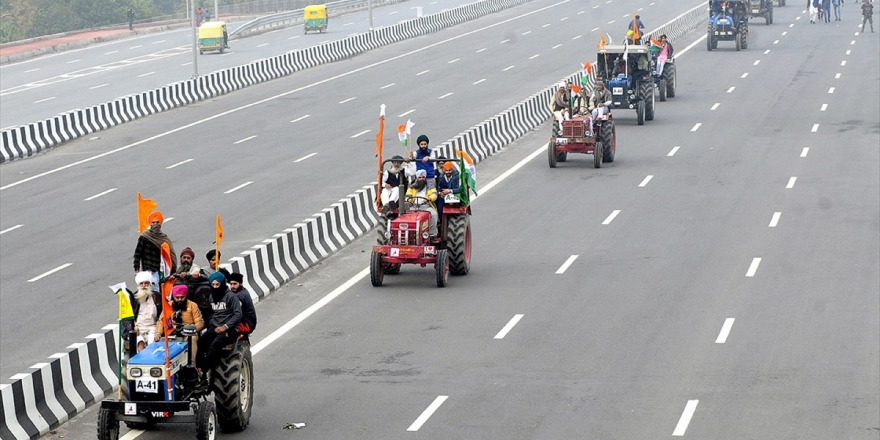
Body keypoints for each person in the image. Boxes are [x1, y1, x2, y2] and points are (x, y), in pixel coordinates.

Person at [197, 272, 242, 377]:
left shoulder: (231, 296)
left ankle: (203, 370)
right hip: (215, 326)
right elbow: (213, 313)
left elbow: (238, 314)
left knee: (214, 346)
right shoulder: (212, 297)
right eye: (213, 285)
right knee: (201, 343)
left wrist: (225, 327)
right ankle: (198, 367)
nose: (215, 287)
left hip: (229, 328)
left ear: (222, 284)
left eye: (217, 285)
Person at [155, 284, 205, 358]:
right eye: (177, 297)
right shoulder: (168, 306)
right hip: (171, 333)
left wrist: (190, 329)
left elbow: (200, 322)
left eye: (182, 297)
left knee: (192, 338)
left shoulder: (193, 305)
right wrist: (158, 334)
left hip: (187, 333)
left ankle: (191, 363)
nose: (179, 300)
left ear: (186, 296)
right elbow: (161, 321)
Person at [133, 211, 176, 291]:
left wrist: (173, 270)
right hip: (149, 270)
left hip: (161, 270)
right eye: (153, 222)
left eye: (157, 222)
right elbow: (137, 254)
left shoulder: (163, 238)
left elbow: (170, 254)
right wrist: (137, 270)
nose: (155, 224)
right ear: (150, 224)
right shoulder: (145, 237)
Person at [132, 271, 160, 353]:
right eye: (142, 284)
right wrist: (134, 326)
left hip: (153, 327)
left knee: (152, 345)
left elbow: (162, 314)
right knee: (140, 344)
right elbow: (128, 317)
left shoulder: (156, 296)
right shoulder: (134, 298)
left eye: (146, 283)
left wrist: (159, 330)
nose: (144, 286)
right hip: (138, 328)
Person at [405, 170, 439, 236]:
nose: (421, 179)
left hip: (426, 206)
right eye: (419, 177)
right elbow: (407, 196)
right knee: (404, 215)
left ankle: (432, 234)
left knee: (434, 214)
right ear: (417, 178)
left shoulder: (430, 186)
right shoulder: (412, 187)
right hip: (414, 207)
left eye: (423, 177)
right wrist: (409, 200)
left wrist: (429, 199)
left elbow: (434, 194)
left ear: (425, 178)